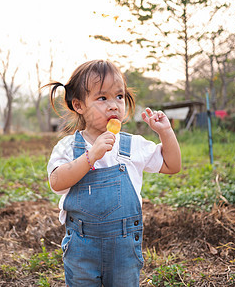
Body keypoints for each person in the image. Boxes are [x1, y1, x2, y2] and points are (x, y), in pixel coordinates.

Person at [44, 60, 181, 287]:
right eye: (102, 98)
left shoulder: (132, 145)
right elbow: (57, 182)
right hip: (82, 247)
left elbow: (172, 165)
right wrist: (90, 156)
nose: (114, 105)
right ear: (79, 105)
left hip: (124, 248)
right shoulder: (69, 147)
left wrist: (165, 133)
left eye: (119, 96)